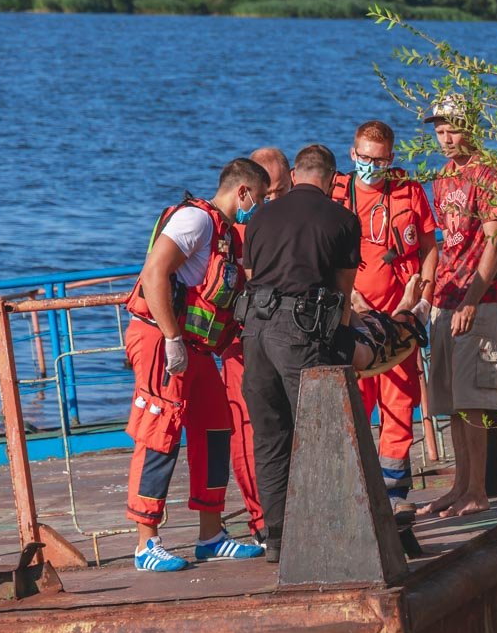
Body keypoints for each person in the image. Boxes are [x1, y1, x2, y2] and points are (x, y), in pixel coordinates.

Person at [123, 158, 270, 572]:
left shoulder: (225, 235)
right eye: (257, 199)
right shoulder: (196, 221)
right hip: (161, 337)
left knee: (216, 428)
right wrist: (171, 339)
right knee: (159, 428)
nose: (255, 208)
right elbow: (154, 273)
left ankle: (211, 535)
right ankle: (145, 541)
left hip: (198, 349)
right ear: (242, 192)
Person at [240, 144, 362, 562]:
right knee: (318, 430)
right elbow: (343, 295)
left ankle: (276, 537)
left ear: (294, 174)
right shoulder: (343, 219)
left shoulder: (259, 217)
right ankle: (327, 530)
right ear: (330, 179)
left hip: (254, 331)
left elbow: (254, 277)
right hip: (300, 332)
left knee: (271, 435)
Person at [330, 121, 438, 521]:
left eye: (379, 159)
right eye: (363, 157)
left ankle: (394, 495)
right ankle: (354, 492)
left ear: (391, 159)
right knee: (354, 406)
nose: (370, 165)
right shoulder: (336, 194)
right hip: (353, 321)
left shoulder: (410, 192)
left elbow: (429, 246)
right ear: (352, 153)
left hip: (399, 322)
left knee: (399, 405)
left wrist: (424, 297)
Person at [417, 96, 497, 518]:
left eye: (453, 128)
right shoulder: (442, 176)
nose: (446, 138)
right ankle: (459, 484)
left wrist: (473, 298)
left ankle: (478, 488)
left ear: (471, 127)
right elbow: (444, 240)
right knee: (450, 399)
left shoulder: (489, 174)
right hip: (445, 296)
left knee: (474, 397)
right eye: (439, 131)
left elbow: (495, 239)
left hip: (479, 299)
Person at [219, 146, 292, 544]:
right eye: (267, 197)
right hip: (245, 339)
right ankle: (262, 520)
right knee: (250, 429)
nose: (271, 204)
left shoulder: (289, 218)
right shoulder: (236, 229)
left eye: (279, 194)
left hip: (288, 334)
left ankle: (293, 510)